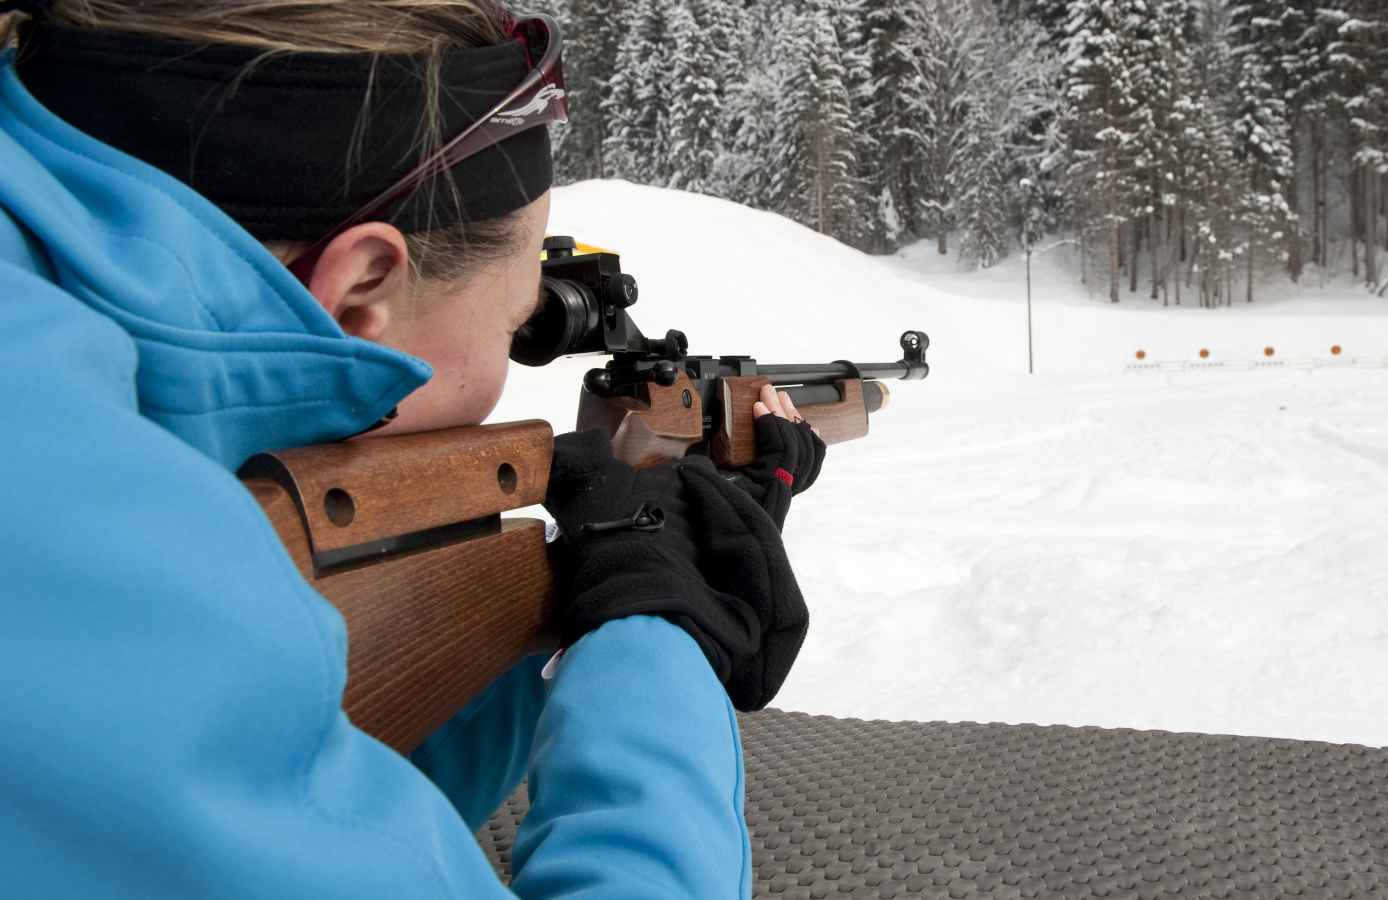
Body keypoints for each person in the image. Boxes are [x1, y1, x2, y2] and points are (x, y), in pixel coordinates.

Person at [0, 1, 822, 897]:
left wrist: (585, 578)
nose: (513, 354)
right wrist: (659, 626)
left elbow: (320, 801)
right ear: (361, 290)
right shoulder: (72, 529)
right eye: (516, 325)